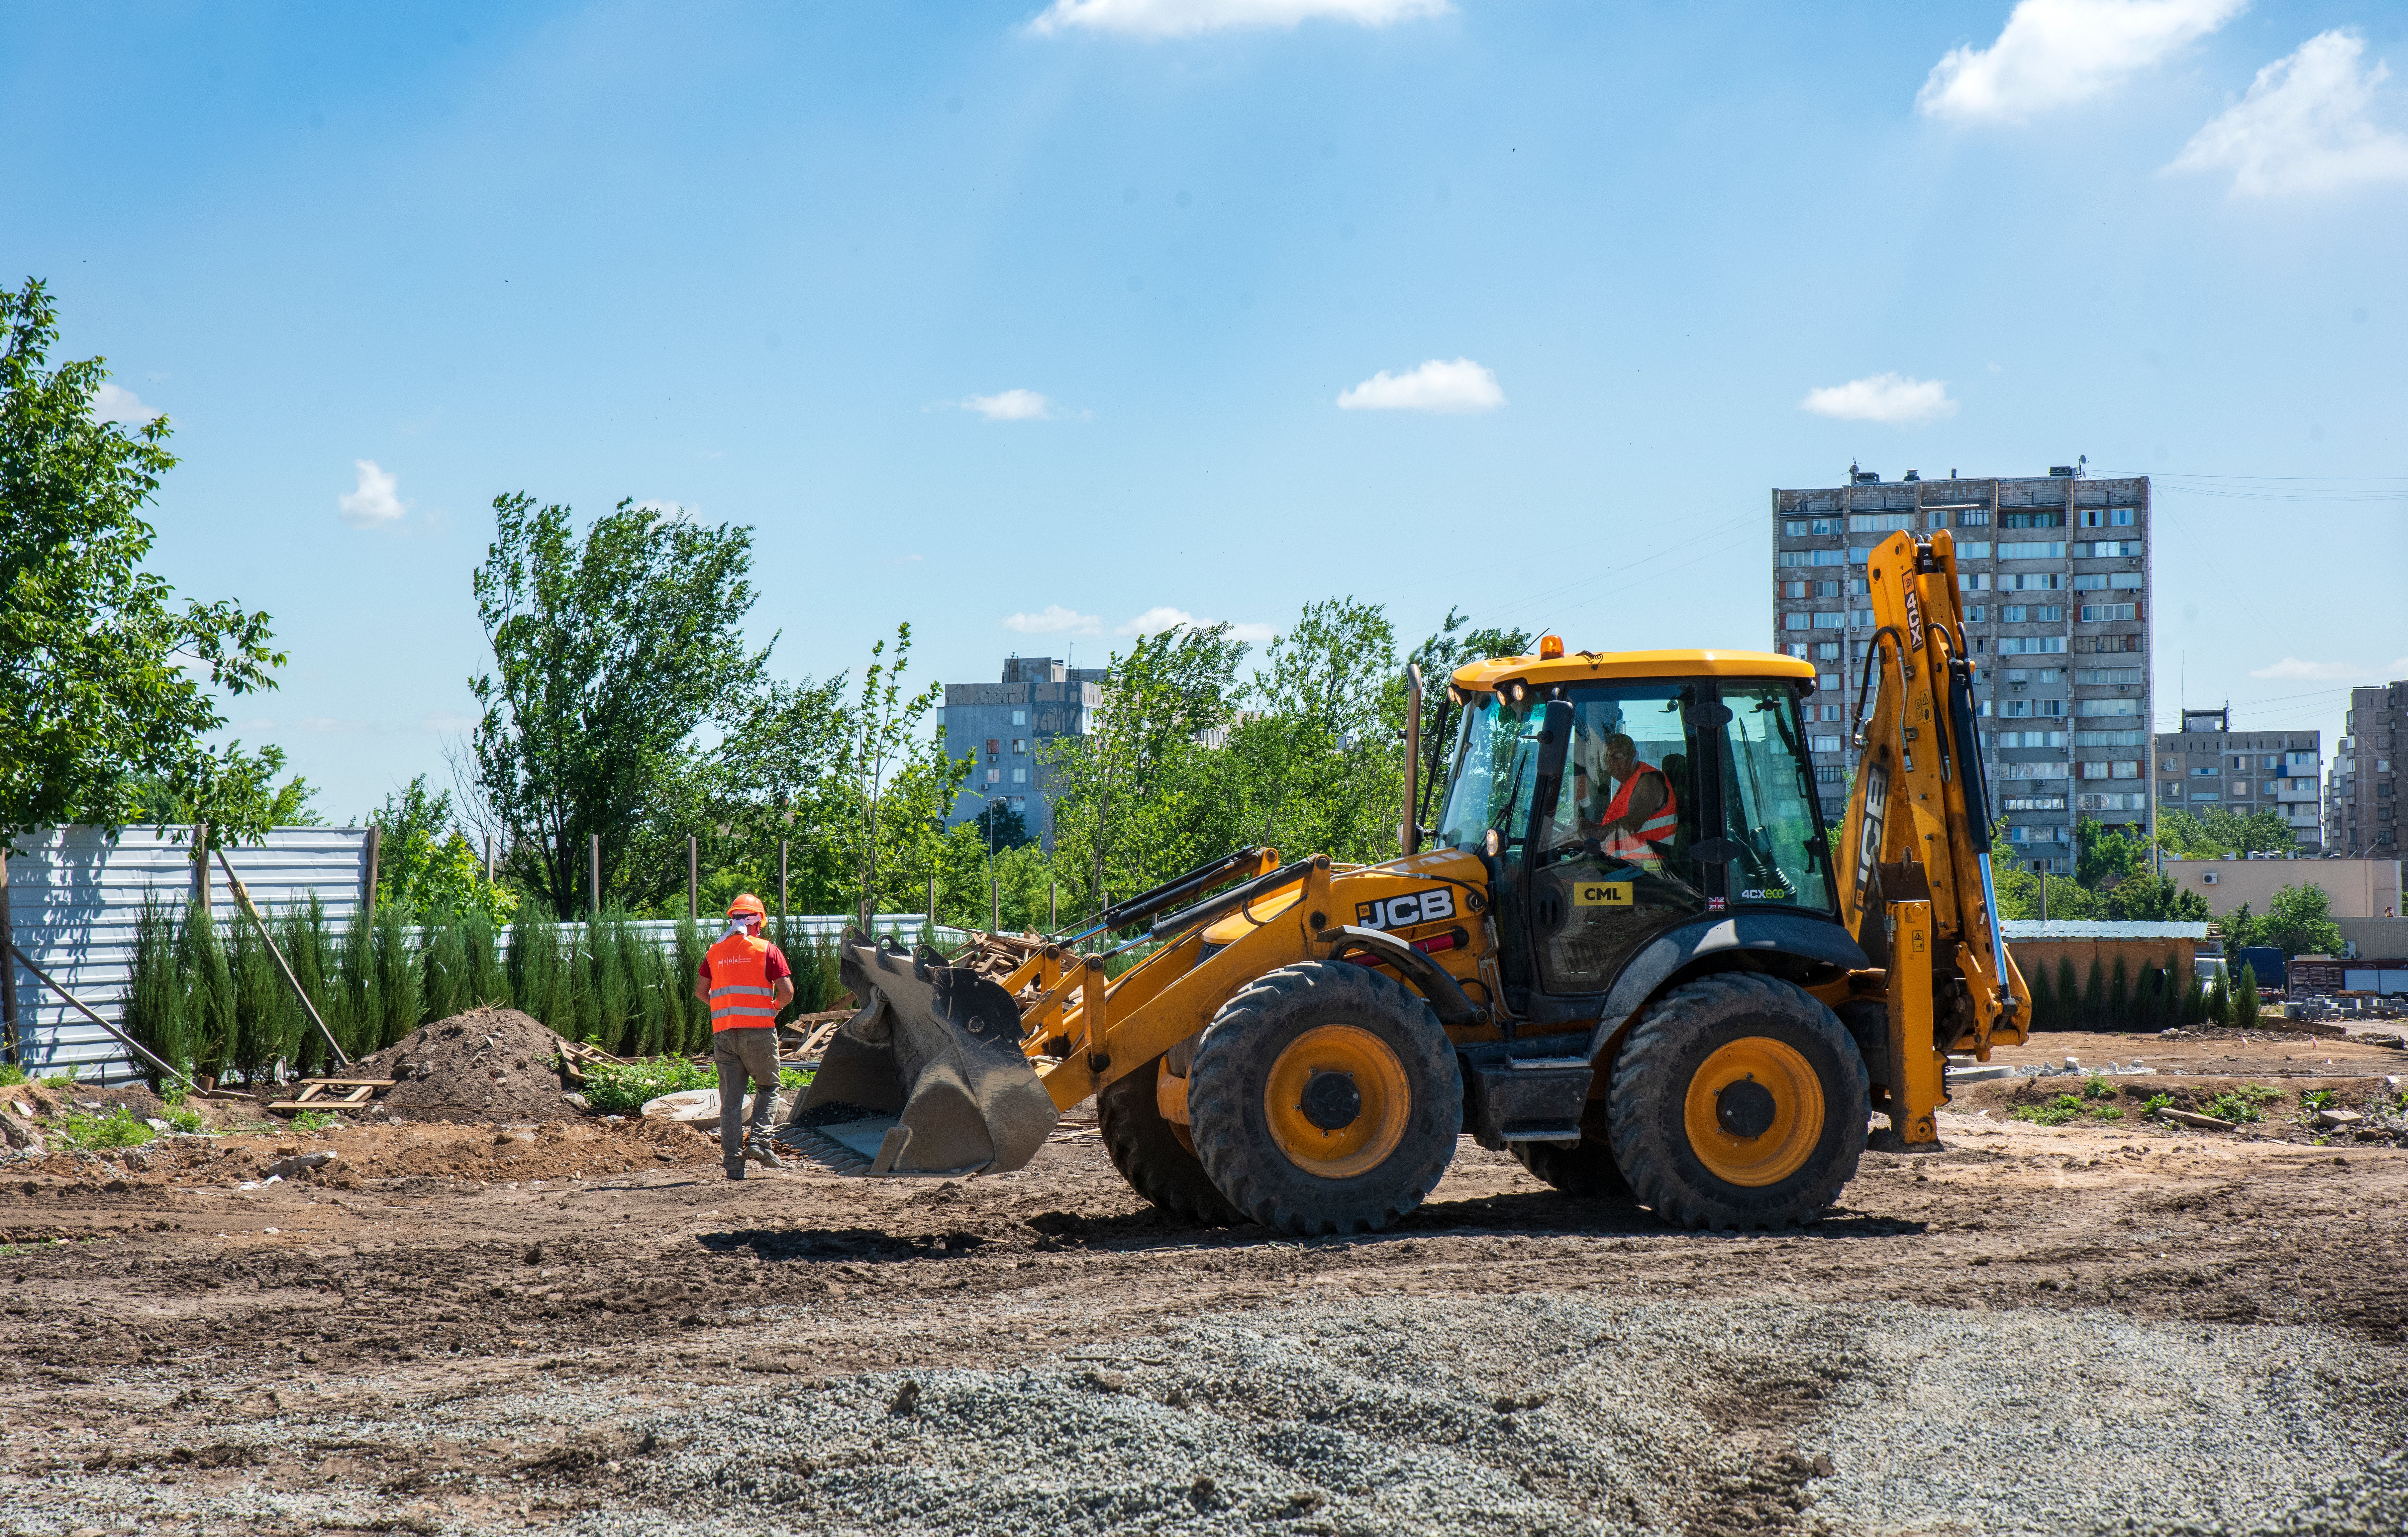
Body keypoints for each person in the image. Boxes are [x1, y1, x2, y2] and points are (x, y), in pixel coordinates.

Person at [693, 893, 796, 1179]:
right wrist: (774, 1008)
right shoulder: (766, 950)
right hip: (759, 1032)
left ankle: (734, 1166)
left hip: (724, 1033)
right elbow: (787, 993)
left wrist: (725, 1008)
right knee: (768, 1088)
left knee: (731, 1102)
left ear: (733, 920)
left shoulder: (715, 952)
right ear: (759, 922)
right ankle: (761, 1142)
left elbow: (702, 992)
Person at [1586, 732, 1678, 866]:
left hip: (1651, 868)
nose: (1612, 762)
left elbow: (1631, 824)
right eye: (1607, 758)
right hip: (1629, 865)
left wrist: (1588, 835)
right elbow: (1616, 825)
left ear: (1635, 756)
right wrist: (1592, 826)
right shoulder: (1627, 783)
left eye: (1618, 756)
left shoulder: (1648, 781)